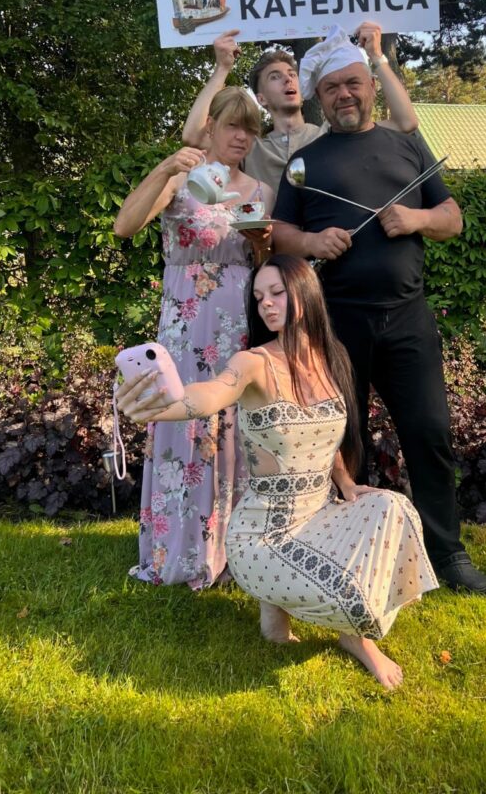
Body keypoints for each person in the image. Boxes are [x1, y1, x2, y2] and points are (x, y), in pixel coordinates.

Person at [116, 254, 438, 690]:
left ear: (305, 292)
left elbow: (325, 435)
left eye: (276, 293)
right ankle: (336, 625)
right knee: (351, 594)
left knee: (395, 508)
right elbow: (211, 394)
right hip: (262, 534)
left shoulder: (332, 358)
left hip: (318, 516)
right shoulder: (253, 363)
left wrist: (346, 483)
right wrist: (161, 405)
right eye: (258, 297)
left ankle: (324, 626)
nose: (266, 304)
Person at [271, 28, 486, 593]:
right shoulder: (303, 161)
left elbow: (452, 219)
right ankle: (352, 549)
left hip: (407, 318)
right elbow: (278, 233)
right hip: (338, 321)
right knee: (346, 439)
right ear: (319, 99)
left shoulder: (408, 147)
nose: (343, 95)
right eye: (331, 89)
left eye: (352, 83)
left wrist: (416, 219)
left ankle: (447, 553)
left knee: (429, 432)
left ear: (371, 85)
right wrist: (312, 242)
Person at [114, 87, 275, 588]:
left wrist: (262, 245)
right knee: (181, 420)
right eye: (233, 126)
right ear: (210, 128)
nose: (242, 137)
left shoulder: (259, 191)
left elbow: (265, 268)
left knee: (234, 430)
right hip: (185, 329)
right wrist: (165, 167)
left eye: (251, 129)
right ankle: (178, 550)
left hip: (237, 327)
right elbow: (124, 226)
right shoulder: (182, 178)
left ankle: (232, 554)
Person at [181, 22, 420, 193]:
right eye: (275, 77)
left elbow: (405, 122)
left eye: (292, 74)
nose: (288, 79)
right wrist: (222, 68)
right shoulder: (251, 149)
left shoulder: (331, 134)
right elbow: (193, 136)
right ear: (261, 99)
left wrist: (377, 57)